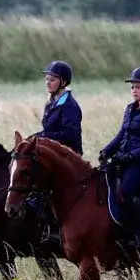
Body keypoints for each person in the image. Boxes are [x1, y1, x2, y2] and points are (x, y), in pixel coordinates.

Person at [99, 67, 140, 249]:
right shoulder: (130, 109)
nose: (134, 90)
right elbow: (122, 135)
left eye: (138, 87)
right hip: (124, 160)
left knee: (124, 193)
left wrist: (131, 156)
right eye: (133, 87)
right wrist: (107, 151)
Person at [29, 60, 84, 247]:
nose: (47, 82)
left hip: (68, 158)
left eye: (52, 79)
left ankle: (54, 230)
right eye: (47, 79)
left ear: (63, 82)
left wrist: (43, 135)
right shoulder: (52, 102)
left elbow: (70, 134)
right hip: (54, 156)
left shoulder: (69, 105)